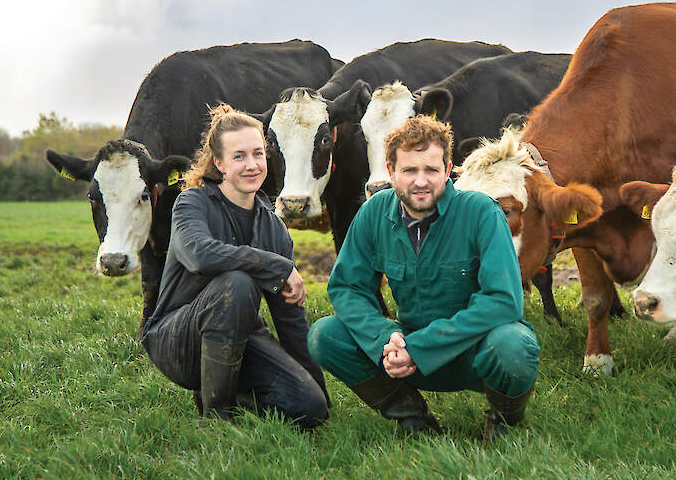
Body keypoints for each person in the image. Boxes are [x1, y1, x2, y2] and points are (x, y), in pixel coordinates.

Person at [308, 115, 540, 441]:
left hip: (474, 352)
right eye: (409, 170)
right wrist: (385, 338)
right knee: (325, 335)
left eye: (431, 170)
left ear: (447, 170)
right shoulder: (373, 213)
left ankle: (503, 420)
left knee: (514, 346)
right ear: (391, 172)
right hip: (403, 354)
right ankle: (412, 418)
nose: (420, 181)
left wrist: (420, 347)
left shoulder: (482, 212)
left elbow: (503, 302)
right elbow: (348, 286)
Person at [142, 104, 328, 429]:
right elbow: (201, 255)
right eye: (239, 156)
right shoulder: (192, 204)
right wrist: (276, 265)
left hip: (240, 334)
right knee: (237, 283)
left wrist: (320, 395)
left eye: (258, 153)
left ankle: (232, 390)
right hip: (177, 340)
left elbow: (291, 323)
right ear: (220, 163)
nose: (251, 165)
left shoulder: (274, 228)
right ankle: (215, 415)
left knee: (308, 408)